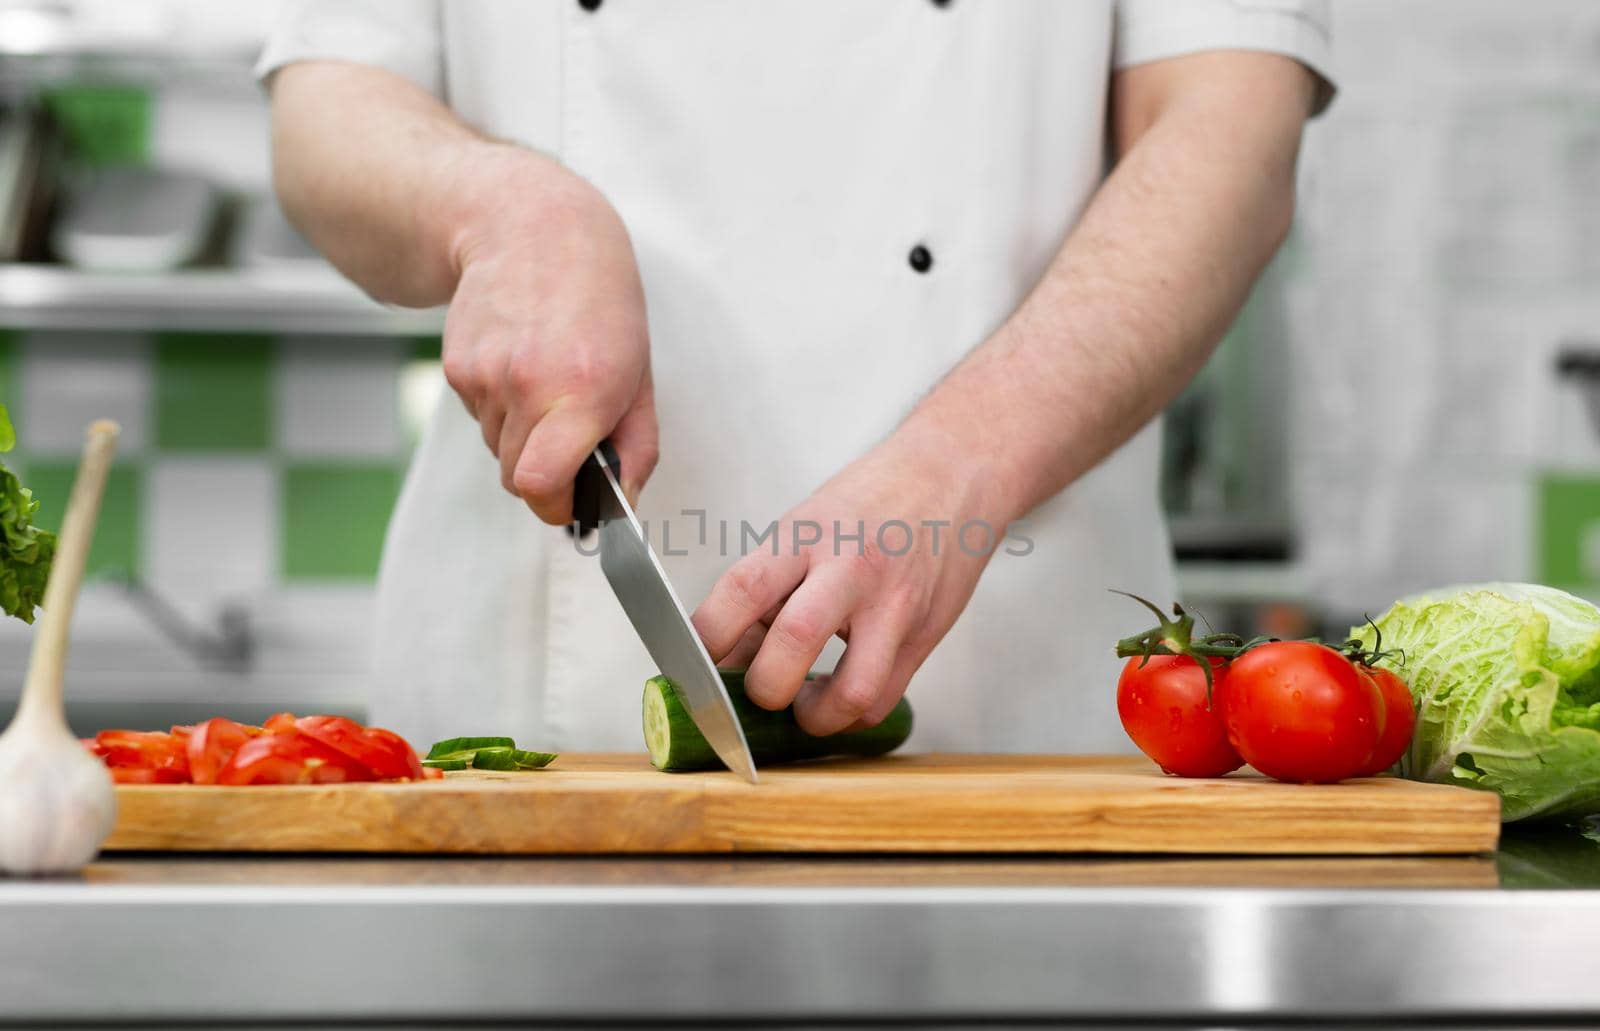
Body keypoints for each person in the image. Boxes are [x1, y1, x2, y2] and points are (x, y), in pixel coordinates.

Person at [260, 1, 1333, 754]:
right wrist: (495, 209)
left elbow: (1228, 128)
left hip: (1016, 689)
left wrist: (959, 460)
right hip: (531, 707)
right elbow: (329, 110)